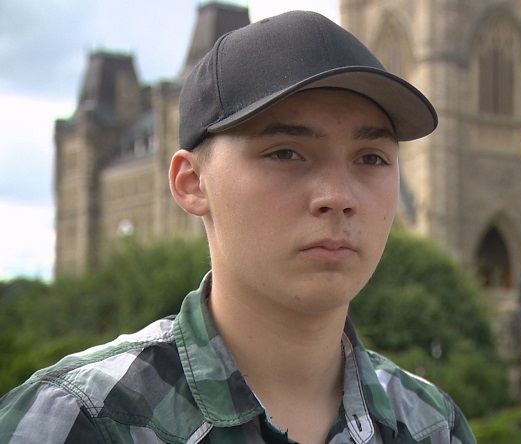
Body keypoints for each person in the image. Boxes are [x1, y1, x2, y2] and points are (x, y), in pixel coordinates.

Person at [0, 11, 475, 444]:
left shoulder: (434, 426)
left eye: (371, 158)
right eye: (286, 153)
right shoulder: (75, 421)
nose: (339, 196)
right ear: (192, 183)